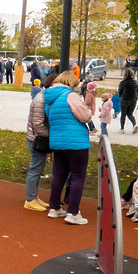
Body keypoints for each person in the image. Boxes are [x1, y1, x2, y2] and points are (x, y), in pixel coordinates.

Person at [44, 71, 93, 225]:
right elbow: (85, 116)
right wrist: (90, 105)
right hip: (76, 141)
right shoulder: (70, 95)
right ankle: (73, 212)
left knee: (59, 175)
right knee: (78, 176)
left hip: (58, 141)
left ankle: (54, 207)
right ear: (71, 82)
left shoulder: (49, 98)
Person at [25, 73, 57, 212]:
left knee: (38, 169)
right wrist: (51, 135)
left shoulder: (44, 97)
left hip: (38, 137)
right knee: (35, 169)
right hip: (37, 139)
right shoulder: (41, 100)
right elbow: (38, 124)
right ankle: (30, 200)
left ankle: (33, 197)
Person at [118, 68, 138, 133]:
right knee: (130, 114)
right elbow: (137, 91)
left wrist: (120, 97)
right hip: (133, 100)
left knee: (123, 115)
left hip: (124, 100)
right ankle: (134, 125)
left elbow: (120, 91)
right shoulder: (135, 83)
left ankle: (122, 129)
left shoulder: (123, 82)